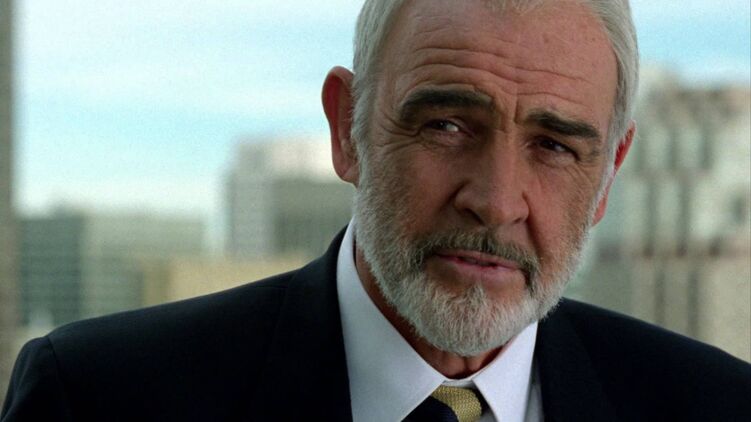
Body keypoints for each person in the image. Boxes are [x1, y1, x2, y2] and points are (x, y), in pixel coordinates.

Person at [2, 0, 749, 420]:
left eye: (553, 145)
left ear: (608, 174)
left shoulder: (718, 407)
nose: (495, 202)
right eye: (446, 125)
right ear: (347, 129)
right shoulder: (96, 400)